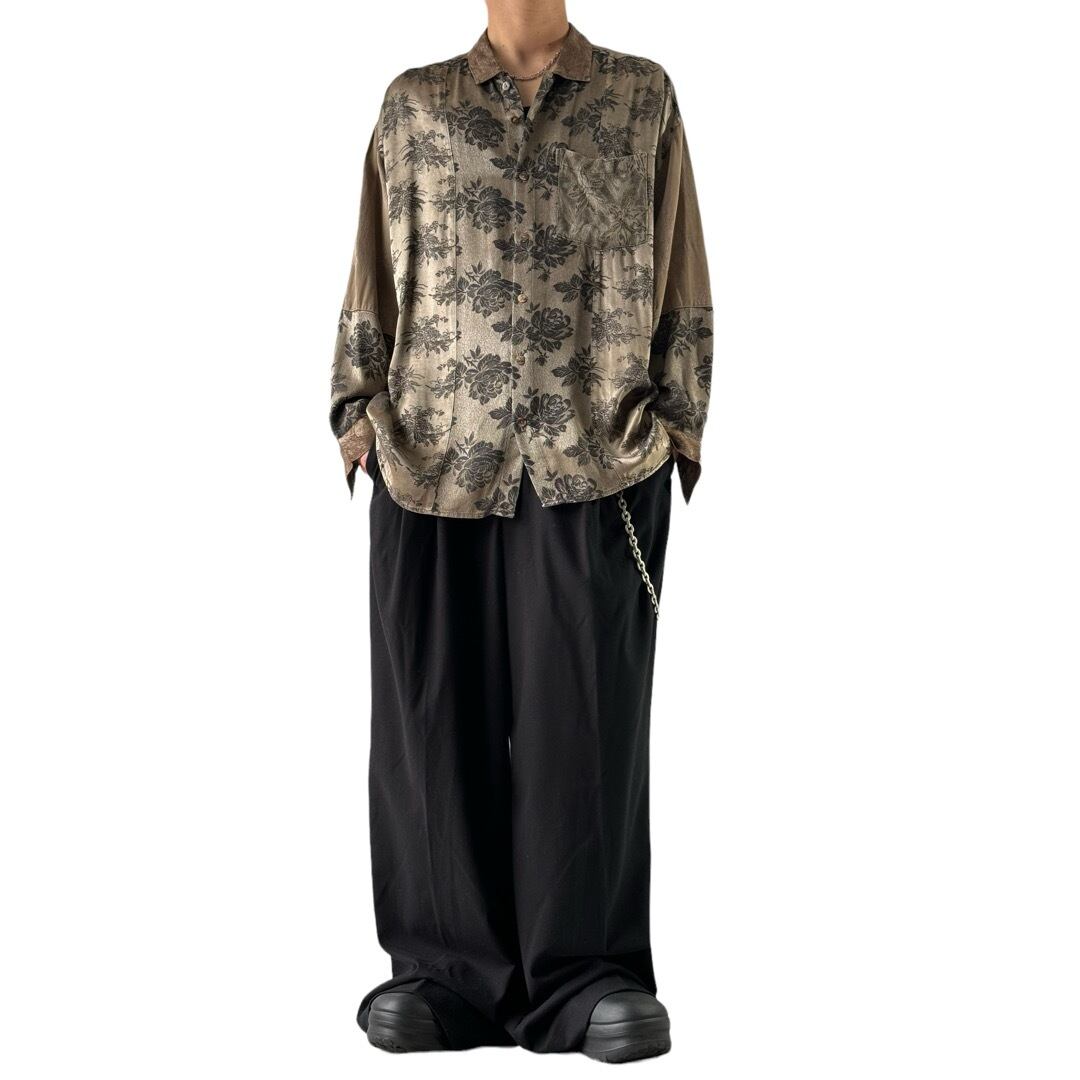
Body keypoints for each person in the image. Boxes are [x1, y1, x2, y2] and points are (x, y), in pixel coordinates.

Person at [329, 0, 712, 1062]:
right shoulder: (414, 105)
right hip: (429, 456)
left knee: (581, 723)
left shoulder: (640, 96)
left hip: (595, 458)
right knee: (429, 721)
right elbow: (374, 265)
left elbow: (680, 263)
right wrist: (356, 417)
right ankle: (443, 974)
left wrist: (678, 427)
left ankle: (584, 978)